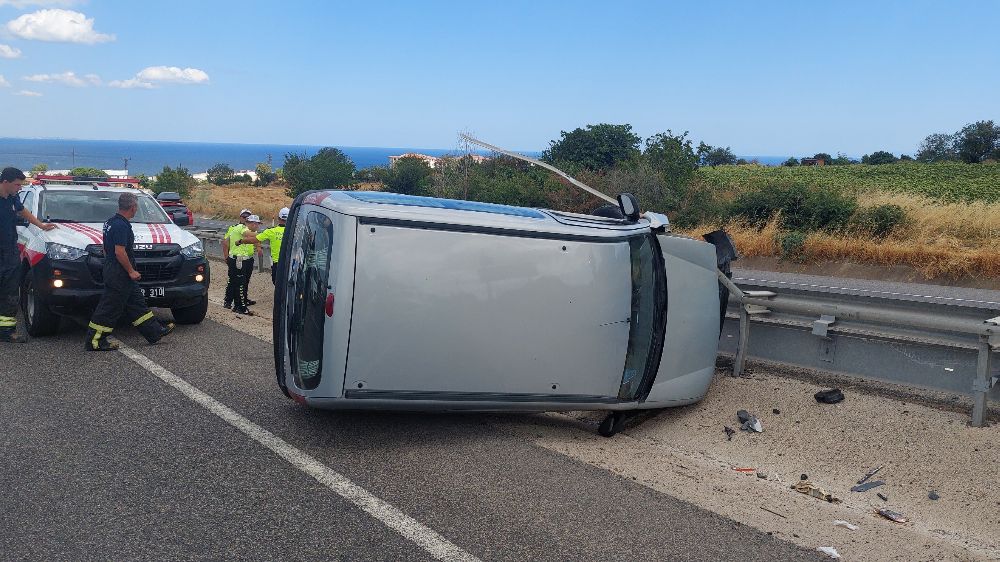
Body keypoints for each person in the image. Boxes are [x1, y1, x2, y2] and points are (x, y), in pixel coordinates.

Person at [84, 192, 174, 351]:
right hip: (119, 272)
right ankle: (95, 340)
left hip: (114, 269)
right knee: (109, 307)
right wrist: (131, 271)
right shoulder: (121, 225)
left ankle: (154, 332)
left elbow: (106, 249)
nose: (136, 209)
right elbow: (120, 251)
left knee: (137, 303)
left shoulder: (110, 222)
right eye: (136, 207)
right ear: (132, 208)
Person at [1, 167, 56, 343]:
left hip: (9, 251)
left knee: (10, 292)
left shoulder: (12, 197)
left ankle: (6, 331)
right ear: (5, 182)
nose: (20, 188)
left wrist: (41, 225)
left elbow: (22, 210)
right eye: (17, 185)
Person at [244, 207, 287, 284]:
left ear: (278, 218)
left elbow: (254, 239)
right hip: (289, 262)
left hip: (277, 262)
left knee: (277, 283)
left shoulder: (271, 231)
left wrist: (240, 241)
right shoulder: (294, 231)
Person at [229, 214, 261, 315]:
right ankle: (240, 307)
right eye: (254, 224)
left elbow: (253, 239)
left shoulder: (251, 231)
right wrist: (267, 234)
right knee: (240, 284)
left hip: (247, 259)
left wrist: (258, 247)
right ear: (248, 223)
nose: (256, 226)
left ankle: (240, 304)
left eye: (258, 224)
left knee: (244, 283)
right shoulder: (241, 228)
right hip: (239, 259)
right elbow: (251, 235)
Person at [222, 209, 252, 309]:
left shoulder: (251, 229)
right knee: (233, 280)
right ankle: (228, 301)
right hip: (236, 259)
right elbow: (226, 243)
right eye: (244, 217)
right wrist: (226, 257)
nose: (246, 219)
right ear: (240, 217)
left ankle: (244, 299)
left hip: (248, 259)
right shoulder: (233, 228)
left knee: (245, 281)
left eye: (248, 217)